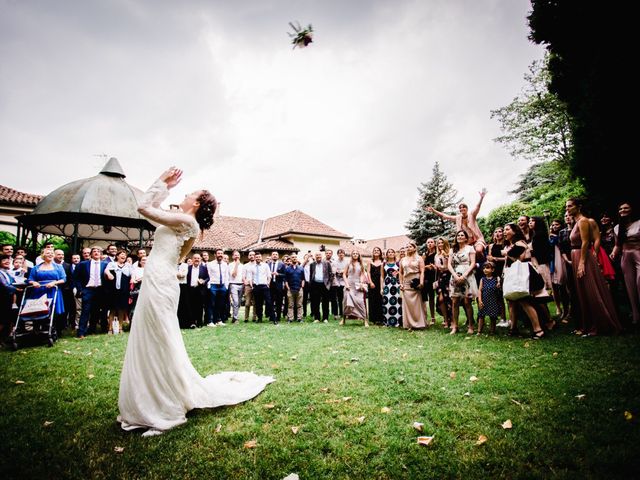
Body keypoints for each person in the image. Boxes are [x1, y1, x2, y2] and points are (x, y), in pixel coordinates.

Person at [118, 167, 274, 436]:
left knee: (160, 339)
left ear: (197, 202)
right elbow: (156, 219)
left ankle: (164, 408)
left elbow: (143, 207)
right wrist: (164, 190)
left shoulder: (187, 223)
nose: (185, 193)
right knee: (150, 337)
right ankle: (149, 400)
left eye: (190, 192)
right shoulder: (180, 222)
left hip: (160, 282)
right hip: (158, 279)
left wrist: (162, 181)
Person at [565, 198, 622, 336]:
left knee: (592, 290)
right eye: (566, 207)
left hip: (582, 256)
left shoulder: (584, 221)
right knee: (583, 292)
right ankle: (590, 324)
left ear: (579, 207)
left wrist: (582, 263)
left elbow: (585, 242)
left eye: (570, 206)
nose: (567, 209)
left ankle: (602, 324)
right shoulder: (576, 222)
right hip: (576, 255)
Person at [502, 224, 546, 339]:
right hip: (513, 274)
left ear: (514, 231)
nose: (504, 232)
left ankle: (538, 329)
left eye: (507, 229)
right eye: (503, 230)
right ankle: (513, 329)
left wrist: (507, 253)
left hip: (523, 273)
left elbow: (519, 259)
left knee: (524, 300)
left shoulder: (520, 243)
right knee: (512, 301)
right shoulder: (510, 245)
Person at [425, 189, 488, 258]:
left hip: (477, 240)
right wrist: (434, 210)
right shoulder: (458, 218)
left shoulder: (472, 215)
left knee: (478, 250)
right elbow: (445, 216)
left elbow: (477, 207)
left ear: (467, 209)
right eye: (460, 208)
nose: (462, 208)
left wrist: (481, 198)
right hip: (466, 243)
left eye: (464, 207)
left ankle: (483, 262)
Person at [611, 201, 640, 327]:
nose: (623, 210)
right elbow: (617, 245)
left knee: (639, 283)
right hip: (625, 257)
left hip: (639, 254)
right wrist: (613, 253)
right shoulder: (617, 227)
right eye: (620, 208)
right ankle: (636, 316)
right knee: (630, 287)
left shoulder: (639, 223)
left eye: (626, 208)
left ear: (632, 209)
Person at [27, 248, 67, 331]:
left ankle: (53, 330)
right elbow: (30, 279)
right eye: (48, 253)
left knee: (53, 310)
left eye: (52, 253)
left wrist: (54, 283)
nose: (50, 254)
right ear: (43, 255)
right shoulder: (36, 267)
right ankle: (37, 330)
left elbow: (63, 279)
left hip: (53, 290)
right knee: (38, 310)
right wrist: (33, 283)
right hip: (39, 291)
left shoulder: (58, 267)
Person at [448, 231, 477, 334]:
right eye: (458, 235)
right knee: (454, 302)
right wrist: (455, 276)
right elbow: (449, 265)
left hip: (467, 275)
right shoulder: (452, 250)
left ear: (466, 238)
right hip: (455, 275)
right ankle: (455, 326)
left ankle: (470, 326)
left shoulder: (470, 248)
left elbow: (473, 263)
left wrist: (464, 275)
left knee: (467, 302)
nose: (460, 237)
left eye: (462, 235)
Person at [400, 241, 426, 330]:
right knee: (408, 304)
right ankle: (409, 324)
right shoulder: (403, 260)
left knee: (417, 303)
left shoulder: (419, 258)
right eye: (407, 247)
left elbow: (422, 271)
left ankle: (419, 323)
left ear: (414, 248)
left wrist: (421, 282)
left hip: (416, 281)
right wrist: (401, 283)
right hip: (406, 282)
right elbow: (400, 272)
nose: (408, 248)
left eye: (410, 246)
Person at [104, 249, 132, 334]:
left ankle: (120, 328)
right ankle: (110, 328)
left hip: (124, 290)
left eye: (125, 255)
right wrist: (109, 274)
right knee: (112, 310)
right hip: (113, 290)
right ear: (117, 256)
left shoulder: (128, 265)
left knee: (121, 310)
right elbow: (106, 270)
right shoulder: (112, 264)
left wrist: (133, 279)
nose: (123, 256)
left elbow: (132, 274)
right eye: (121, 254)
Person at [487, 227, 508, 326]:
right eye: (496, 232)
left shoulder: (506, 244)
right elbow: (490, 258)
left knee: (508, 295)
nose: (498, 233)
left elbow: (507, 258)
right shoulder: (491, 246)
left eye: (500, 231)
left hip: (505, 269)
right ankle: (503, 318)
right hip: (495, 271)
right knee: (498, 296)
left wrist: (495, 258)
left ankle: (512, 318)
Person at [248, 252, 276, 324]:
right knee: (258, 304)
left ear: (261, 258)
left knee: (269, 302)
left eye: (259, 257)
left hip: (264, 286)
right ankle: (259, 318)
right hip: (256, 287)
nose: (258, 258)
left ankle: (273, 319)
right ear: (255, 258)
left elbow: (269, 276)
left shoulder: (265, 265)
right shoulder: (252, 267)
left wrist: (268, 284)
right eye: (256, 257)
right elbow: (250, 278)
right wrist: (252, 286)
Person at [342, 251, 368, 326]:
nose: (355, 255)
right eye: (354, 253)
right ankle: (343, 319)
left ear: (359, 255)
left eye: (357, 254)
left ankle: (365, 320)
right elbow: (344, 274)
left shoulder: (361, 264)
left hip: (358, 285)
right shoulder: (348, 263)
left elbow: (363, 274)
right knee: (346, 302)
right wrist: (346, 284)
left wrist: (362, 283)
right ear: (351, 255)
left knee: (361, 302)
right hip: (349, 285)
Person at [206, 249, 229, 326]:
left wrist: (226, 286)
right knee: (211, 304)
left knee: (220, 304)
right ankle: (210, 321)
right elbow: (208, 275)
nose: (220, 255)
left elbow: (227, 276)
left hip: (222, 286)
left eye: (221, 253)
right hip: (213, 285)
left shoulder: (225, 264)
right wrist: (209, 286)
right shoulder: (210, 264)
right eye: (218, 253)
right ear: (215, 255)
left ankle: (218, 320)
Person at [476, 262, 501, 335]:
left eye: (487, 268)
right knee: (481, 316)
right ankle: (479, 331)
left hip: (493, 300)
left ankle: (492, 331)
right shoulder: (482, 279)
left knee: (493, 316)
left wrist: (498, 284)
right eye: (484, 268)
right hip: (484, 300)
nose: (485, 270)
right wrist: (480, 300)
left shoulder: (496, 279)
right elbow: (480, 290)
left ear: (492, 270)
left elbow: (499, 289)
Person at [309, 251, 332, 323]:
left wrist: (329, 284)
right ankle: (317, 318)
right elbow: (311, 275)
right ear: (315, 257)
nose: (318, 256)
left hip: (324, 285)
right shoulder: (312, 264)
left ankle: (325, 318)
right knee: (316, 302)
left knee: (325, 302)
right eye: (317, 255)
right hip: (315, 285)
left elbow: (331, 274)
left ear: (321, 256)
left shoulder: (327, 263)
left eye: (319, 255)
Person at [434, 238, 452, 328]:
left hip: (448, 276)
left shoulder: (449, 252)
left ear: (445, 243)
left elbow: (451, 265)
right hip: (440, 278)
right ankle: (445, 320)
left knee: (449, 299)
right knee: (441, 299)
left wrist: (446, 257)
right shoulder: (436, 255)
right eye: (438, 243)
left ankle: (452, 320)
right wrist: (436, 280)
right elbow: (437, 269)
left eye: (441, 242)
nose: (440, 244)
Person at [381, 249, 402, 327]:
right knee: (386, 303)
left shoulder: (398, 264)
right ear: (386, 254)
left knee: (397, 303)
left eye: (392, 252)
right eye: (389, 252)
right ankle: (386, 322)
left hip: (396, 285)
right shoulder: (383, 264)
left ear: (394, 254)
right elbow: (382, 276)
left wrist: (398, 274)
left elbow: (401, 274)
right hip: (387, 286)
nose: (391, 253)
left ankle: (397, 322)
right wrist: (381, 288)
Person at [284, 253, 305, 322]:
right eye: (293, 257)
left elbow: (303, 279)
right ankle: (290, 318)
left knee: (299, 305)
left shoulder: (301, 268)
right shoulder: (287, 269)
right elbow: (286, 280)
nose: (294, 258)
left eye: (295, 257)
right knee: (290, 305)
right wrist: (288, 288)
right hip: (290, 289)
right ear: (290, 259)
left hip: (299, 289)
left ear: (297, 258)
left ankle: (300, 318)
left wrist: (302, 286)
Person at [367, 247, 384, 325]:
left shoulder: (383, 261)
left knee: (380, 299)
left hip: (380, 282)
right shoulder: (370, 261)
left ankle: (379, 318)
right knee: (372, 300)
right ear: (373, 252)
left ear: (380, 252)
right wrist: (370, 282)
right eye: (375, 251)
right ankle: (373, 318)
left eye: (378, 251)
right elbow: (368, 272)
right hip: (372, 283)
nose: (376, 252)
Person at [422, 239, 437, 326]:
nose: (430, 244)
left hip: (434, 277)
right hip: (426, 277)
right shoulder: (425, 254)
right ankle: (427, 317)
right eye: (428, 242)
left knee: (432, 297)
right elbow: (421, 265)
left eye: (431, 242)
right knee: (425, 297)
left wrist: (434, 267)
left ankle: (433, 317)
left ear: (434, 244)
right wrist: (427, 266)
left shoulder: (436, 254)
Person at [228, 250, 244, 323]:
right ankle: (235, 318)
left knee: (239, 302)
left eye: (238, 255)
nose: (237, 256)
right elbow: (233, 275)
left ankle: (235, 316)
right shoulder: (230, 265)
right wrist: (236, 265)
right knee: (235, 301)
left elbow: (243, 276)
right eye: (235, 255)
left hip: (241, 285)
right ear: (232, 256)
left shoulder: (243, 266)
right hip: (233, 284)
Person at [242, 251, 257, 323]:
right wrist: (245, 282)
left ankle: (254, 317)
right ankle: (246, 318)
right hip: (248, 286)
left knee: (255, 302)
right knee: (247, 303)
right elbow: (243, 277)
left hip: (256, 285)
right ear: (248, 256)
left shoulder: (258, 265)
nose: (252, 256)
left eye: (253, 255)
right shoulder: (245, 266)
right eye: (250, 255)